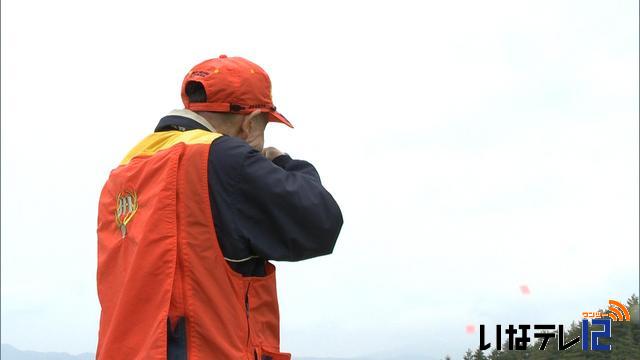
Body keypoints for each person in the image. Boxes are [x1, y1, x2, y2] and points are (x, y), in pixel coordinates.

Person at [96, 55, 343, 360]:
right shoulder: (223, 160)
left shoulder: (123, 174)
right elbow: (321, 223)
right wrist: (282, 163)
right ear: (250, 124)